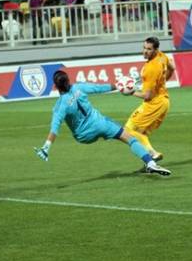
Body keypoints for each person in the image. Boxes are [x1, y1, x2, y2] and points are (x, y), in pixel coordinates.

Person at [34, 70, 172, 176]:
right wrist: (118, 86)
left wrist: (46, 147)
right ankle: (150, 162)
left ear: (55, 86)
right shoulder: (79, 87)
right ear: (68, 81)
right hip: (100, 124)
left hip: (83, 136)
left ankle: (150, 163)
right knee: (130, 138)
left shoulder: (60, 106)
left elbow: (54, 128)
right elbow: (99, 88)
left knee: (108, 131)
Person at [124, 37, 175, 162]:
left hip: (154, 103)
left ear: (155, 50)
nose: (145, 51)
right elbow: (172, 67)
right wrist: (162, 83)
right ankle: (150, 163)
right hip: (164, 101)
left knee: (128, 131)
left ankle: (153, 153)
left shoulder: (151, 68)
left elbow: (147, 96)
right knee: (142, 134)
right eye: (144, 48)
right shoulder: (162, 56)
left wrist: (130, 92)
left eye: (149, 49)